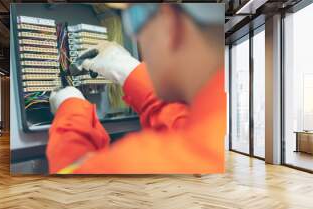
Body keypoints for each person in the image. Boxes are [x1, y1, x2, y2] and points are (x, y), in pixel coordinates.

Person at [47, 3, 226, 174]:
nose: (134, 38)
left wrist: (71, 109)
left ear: (171, 25)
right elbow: (180, 126)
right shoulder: (217, 129)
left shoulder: (137, 163)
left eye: (134, 19)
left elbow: (73, 177)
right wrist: (131, 72)